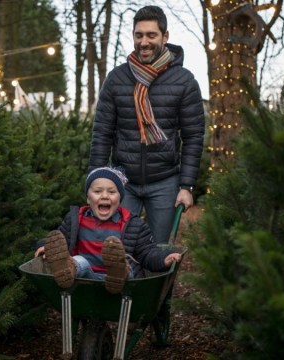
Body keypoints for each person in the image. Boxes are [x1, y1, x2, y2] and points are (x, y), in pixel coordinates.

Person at [88, 5, 205, 244]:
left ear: (165, 37)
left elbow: (193, 136)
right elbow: (102, 133)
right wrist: (96, 184)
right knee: (117, 249)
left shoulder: (184, 81)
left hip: (165, 182)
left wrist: (187, 186)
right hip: (123, 182)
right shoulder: (117, 79)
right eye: (138, 35)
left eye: (151, 35)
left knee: (159, 251)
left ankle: (157, 284)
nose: (144, 42)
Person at [34, 167, 182, 294]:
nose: (105, 196)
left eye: (111, 192)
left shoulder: (134, 224)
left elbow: (147, 253)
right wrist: (44, 246)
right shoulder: (75, 220)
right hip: (85, 279)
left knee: (125, 267)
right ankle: (67, 270)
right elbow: (60, 242)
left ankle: (117, 272)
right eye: (98, 191)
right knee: (78, 261)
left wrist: (163, 259)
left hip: (123, 283)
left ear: (120, 198)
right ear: (88, 198)